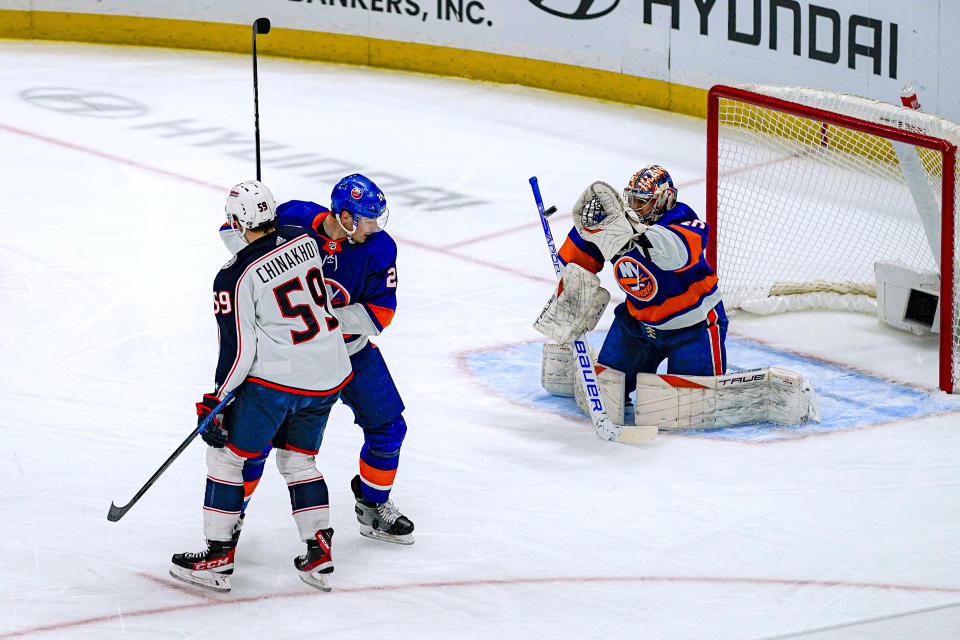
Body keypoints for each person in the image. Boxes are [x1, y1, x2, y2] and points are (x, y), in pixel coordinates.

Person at [170, 180, 352, 593]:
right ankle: (319, 551)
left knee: (227, 459)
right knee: (299, 462)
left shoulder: (232, 277)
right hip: (329, 373)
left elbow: (239, 349)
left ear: (235, 221)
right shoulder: (305, 241)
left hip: (280, 382)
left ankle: (217, 557)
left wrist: (217, 400)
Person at [218, 174, 414, 545]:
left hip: (348, 352)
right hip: (290, 358)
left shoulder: (379, 249)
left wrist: (320, 316)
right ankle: (232, 517)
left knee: (389, 428)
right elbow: (236, 234)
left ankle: (372, 505)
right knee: (255, 442)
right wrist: (249, 253)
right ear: (343, 215)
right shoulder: (294, 217)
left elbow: (378, 316)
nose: (374, 228)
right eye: (367, 220)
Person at [535, 165, 727, 415]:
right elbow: (573, 261)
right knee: (606, 394)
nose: (635, 206)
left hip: (693, 327)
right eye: (632, 199)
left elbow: (673, 256)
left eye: (643, 201)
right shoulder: (616, 225)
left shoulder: (685, 221)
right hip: (639, 326)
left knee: (691, 408)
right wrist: (572, 289)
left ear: (665, 200)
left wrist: (634, 233)